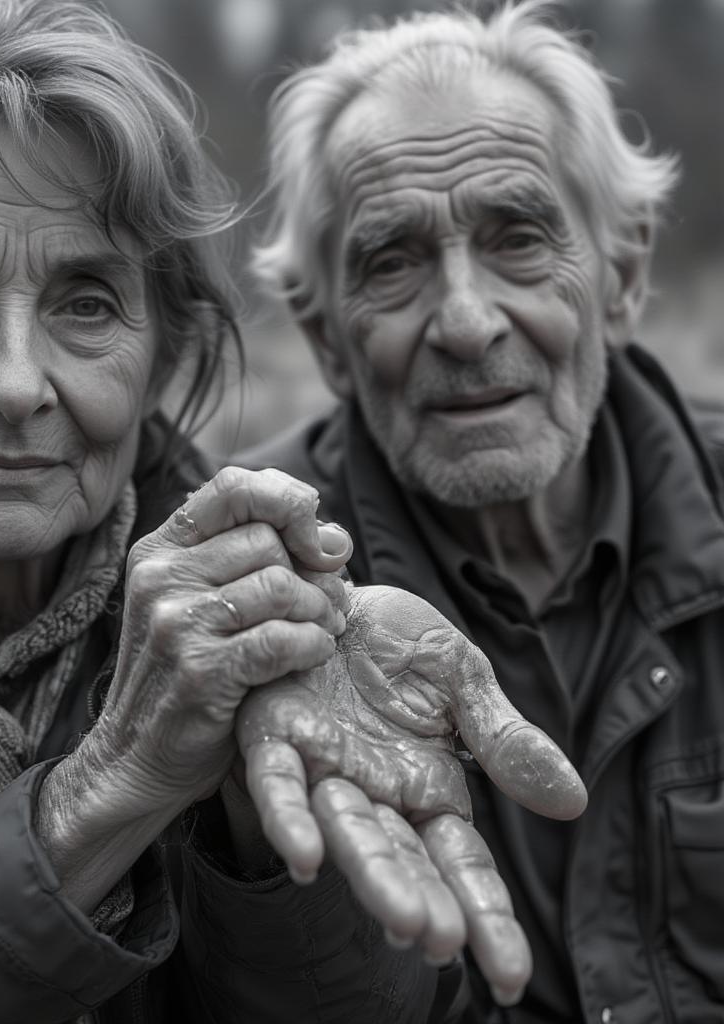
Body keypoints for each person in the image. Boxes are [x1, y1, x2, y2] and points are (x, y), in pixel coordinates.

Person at [0, 0, 589, 1021]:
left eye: (86, 303)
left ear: (163, 356)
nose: (20, 381)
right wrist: (112, 784)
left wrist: (261, 841)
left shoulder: (277, 615)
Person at [243, 0, 724, 1021]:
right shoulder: (253, 594)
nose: (464, 322)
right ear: (327, 336)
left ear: (624, 273)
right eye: (393, 260)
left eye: (517, 238)